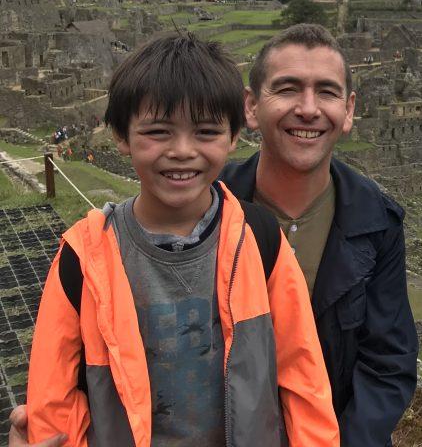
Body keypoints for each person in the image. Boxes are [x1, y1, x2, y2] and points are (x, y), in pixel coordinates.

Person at [24, 34, 339, 447]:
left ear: (233, 137)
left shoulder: (259, 241)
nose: (182, 151)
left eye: (206, 132)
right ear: (121, 135)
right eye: (158, 132)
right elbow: (53, 401)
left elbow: (303, 376)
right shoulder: (83, 257)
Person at [218, 23, 417, 446]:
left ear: (348, 112)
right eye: (288, 89)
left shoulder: (377, 223)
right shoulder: (209, 208)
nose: (308, 109)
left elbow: (387, 364)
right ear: (251, 107)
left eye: (326, 92)